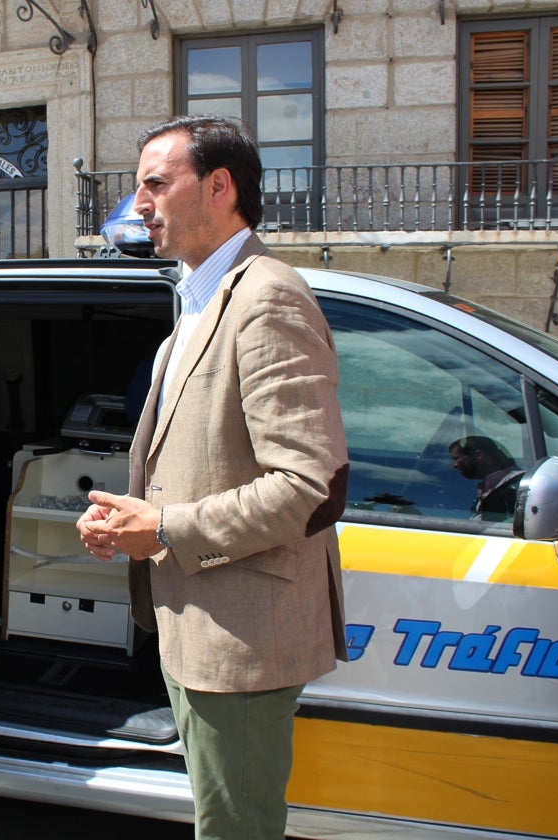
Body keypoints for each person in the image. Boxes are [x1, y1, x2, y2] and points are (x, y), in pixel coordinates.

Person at [75, 115, 349, 839]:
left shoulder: (266, 298)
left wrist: (163, 527)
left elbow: (308, 486)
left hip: (242, 642)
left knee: (235, 829)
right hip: (196, 627)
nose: (139, 204)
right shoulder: (198, 302)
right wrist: (130, 521)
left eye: (156, 184)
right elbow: (206, 459)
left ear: (220, 187)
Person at [448, 436, 524, 517]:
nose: (455, 465)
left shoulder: (517, 488)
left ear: (478, 455)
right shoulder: (488, 489)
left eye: (457, 459)